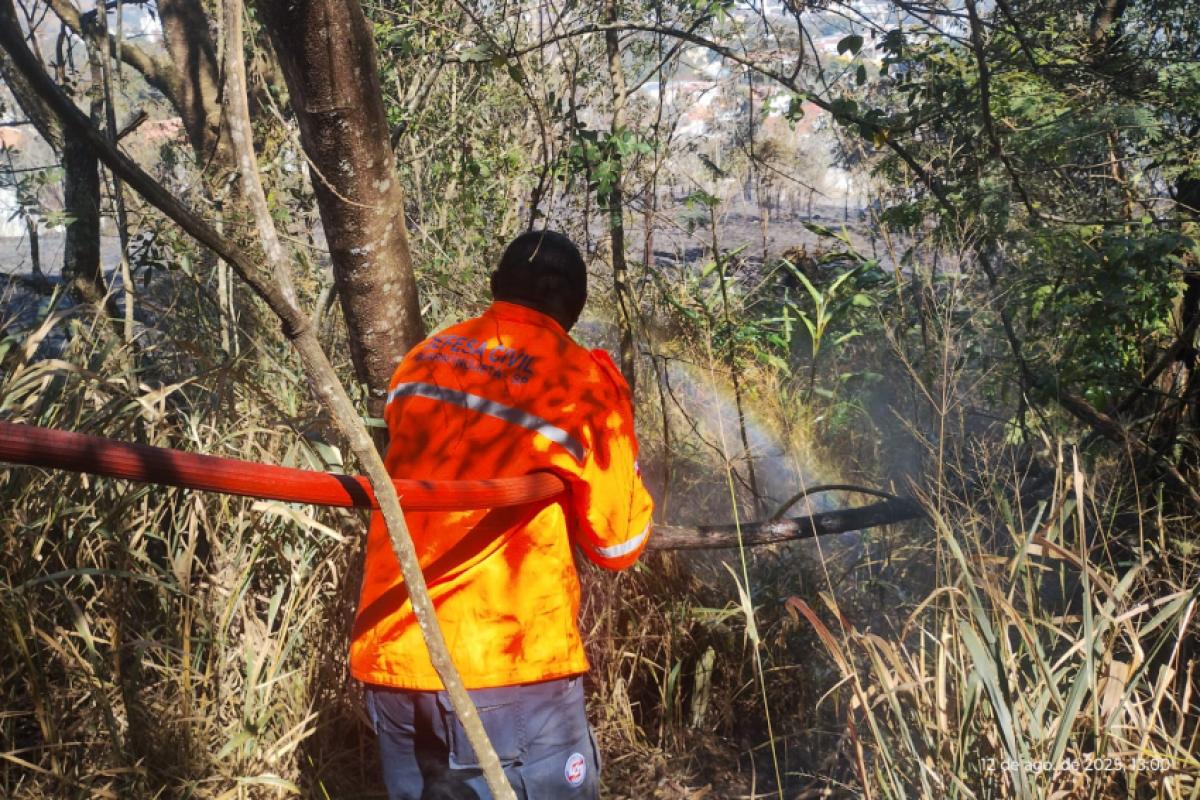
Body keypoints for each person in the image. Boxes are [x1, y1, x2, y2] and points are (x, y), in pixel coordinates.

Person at [351, 230, 655, 799]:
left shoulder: (423, 359)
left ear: (494, 288)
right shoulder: (583, 383)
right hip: (508, 673)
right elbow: (618, 546)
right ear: (577, 306)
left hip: (393, 656)